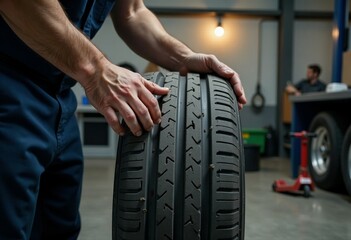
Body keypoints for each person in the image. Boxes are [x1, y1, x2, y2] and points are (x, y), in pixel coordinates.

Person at [0, 1, 246, 239]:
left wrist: (183, 57)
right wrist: (97, 69)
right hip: (8, 85)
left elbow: (133, 13)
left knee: (58, 225)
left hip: (60, 97)